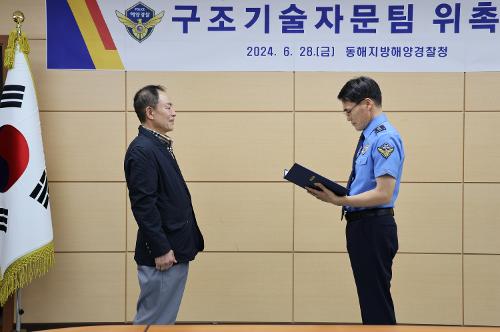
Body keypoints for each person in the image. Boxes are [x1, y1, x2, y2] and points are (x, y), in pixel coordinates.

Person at [306, 76, 404, 325]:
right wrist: (339, 198)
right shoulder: (370, 138)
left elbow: (384, 193)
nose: (348, 117)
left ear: (367, 104)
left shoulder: (384, 139)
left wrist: (341, 200)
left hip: (373, 226)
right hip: (362, 226)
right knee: (370, 299)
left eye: (349, 111)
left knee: (376, 301)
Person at [124, 85, 204, 324]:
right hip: (163, 254)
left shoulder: (157, 145)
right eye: (168, 106)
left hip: (174, 249)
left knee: (163, 321)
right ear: (150, 112)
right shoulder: (142, 150)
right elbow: (143, 205)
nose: (174, 112)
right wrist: (161, 249)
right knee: (152, 322)